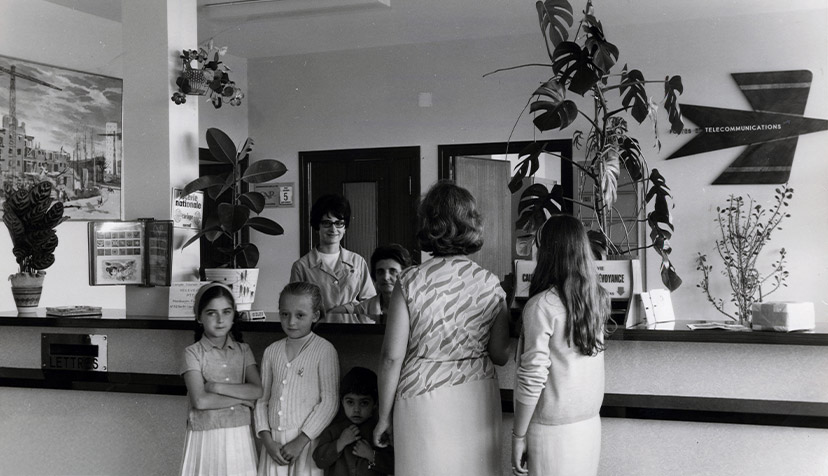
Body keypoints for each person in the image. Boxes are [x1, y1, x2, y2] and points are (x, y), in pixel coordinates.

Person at [373, 181, 510, 476]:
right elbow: (500, 354)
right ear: (471, 223)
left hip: (421, 394)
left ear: (428, 223)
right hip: (476, 395)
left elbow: (391, 357)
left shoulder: (409, 281)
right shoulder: (490, 283)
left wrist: (384, 417)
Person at [511, 215, 610, 476]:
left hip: (550, 432)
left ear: (547, 252)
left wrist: (518, 435)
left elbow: (533, 378)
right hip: (589, 428)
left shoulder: (542, 306)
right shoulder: (595, 300)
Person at [256, 282, 340, 476]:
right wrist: (267, 441)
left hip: (306, 444)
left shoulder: (324, 350)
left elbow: (329, 402)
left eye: (300, 315)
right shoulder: (271, 352)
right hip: (274, 445)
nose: (291, 322)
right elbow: (262, 400)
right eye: (285, 314)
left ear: (315, 315)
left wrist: (300, 441)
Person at [180, 282, 263, 476]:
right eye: (211, 313)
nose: (220, 320)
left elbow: (257, 390)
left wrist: (216, 386)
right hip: (205, 434)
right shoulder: (192, 353)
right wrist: (241, 399)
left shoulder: (243, 351)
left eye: (226, 312)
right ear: (199, 317)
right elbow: (200, 401)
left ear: (234, 315)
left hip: (238, 434)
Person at [290, 193, 376, 323]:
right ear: (317, 226)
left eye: (339, 223)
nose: (333, 229)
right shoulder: (301, 266)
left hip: (353, 330)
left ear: (345, 228)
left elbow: (370, 302)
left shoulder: (357, 261)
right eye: (327, 223)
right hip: (317, 330)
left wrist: (345, 309)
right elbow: (295, 306)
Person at [312, 367, 394, 476]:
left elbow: (394, 466)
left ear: (375, 404)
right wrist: (340, 442)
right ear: (342, 402)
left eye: (364, 403)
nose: (356, 409)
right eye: (350, 402)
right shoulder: (334, 430)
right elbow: (319, 461)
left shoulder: (379, 433)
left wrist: (371, 455)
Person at [355, 244, 412, 324]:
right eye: (380, 271)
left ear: (405, 274)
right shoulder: (362, 309)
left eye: (393, 271)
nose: (385, 277)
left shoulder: (417, 307)